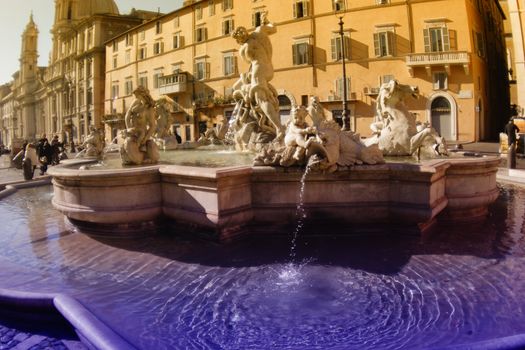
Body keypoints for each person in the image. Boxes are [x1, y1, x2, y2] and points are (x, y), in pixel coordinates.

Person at [231, 13, 285, 141]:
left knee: (260, 98)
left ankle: (279, 128)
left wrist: (266, 21)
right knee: (236, 87)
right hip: (262, 69)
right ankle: (253, 114)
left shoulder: (257, 33)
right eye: (238, 34)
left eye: (240, 32)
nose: (240, 35)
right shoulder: (254, 37)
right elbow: (273, 28)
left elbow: (273, 28)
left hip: (259, 68)